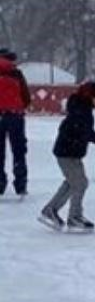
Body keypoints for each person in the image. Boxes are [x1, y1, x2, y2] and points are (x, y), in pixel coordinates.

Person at [39, 82, 95, 231]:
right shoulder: (81, 111)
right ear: (91, 97)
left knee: (73, 182)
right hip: (67, 152)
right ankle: (74, 217)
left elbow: (86, 134)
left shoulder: (82, 109)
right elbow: (87, 134)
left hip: (71, 152)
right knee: (80, 183)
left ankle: (51, 210)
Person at [0, 49, 31, 198]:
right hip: (15, 116)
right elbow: (26, 97)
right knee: (18, 150)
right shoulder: (16, 73)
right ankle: (21, 183)